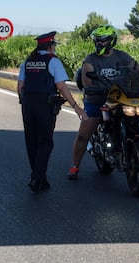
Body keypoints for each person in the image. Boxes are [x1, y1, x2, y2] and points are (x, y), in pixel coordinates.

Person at [67, 24, 139, 180]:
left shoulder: (122, 57)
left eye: (102, 40)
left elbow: (138, 69)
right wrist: (89, 87)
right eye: (97, 40)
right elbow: (87, 77)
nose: (99, 43)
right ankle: (74, 167)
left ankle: (130, 144)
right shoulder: (91, 59)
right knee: (83, 135)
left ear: (111, 41)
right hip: (97, 99)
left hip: (120, 99)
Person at [18, 31, 88, 193]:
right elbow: (61, 86)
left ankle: (39, 178)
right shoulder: (53, 61)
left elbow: (20, 87)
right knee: (46, 142)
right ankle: (37, 178)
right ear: (50, 47)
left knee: (32, 141)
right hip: (45, 105)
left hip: (28, 104)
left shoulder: (27, 62)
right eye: (54, 45)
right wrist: (75, 106)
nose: (55, 48)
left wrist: (26, 102)